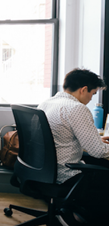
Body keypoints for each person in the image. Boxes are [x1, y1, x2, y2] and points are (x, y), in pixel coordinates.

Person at [37, 68, 108, 225]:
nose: (91, 98)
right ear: (83, 90)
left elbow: (61, 137)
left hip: (42, 170)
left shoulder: (47, 103)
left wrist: (95, 139)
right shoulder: (76, 108)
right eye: (92, 93)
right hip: (65, 174)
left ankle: (73, 213)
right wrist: (99, 144)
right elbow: (98, 151)